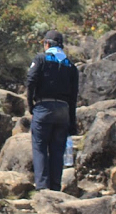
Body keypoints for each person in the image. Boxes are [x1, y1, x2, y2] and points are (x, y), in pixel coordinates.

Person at [26, 29, 79, 192]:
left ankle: (42, 188)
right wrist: (72, 120)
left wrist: (30, 104)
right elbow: (74, 96)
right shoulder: (71, 65)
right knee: (58, 149)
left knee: (40, 147)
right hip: (63, 110)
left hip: (44, 107)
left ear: (47, 44)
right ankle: (55, 187)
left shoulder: (40, 59)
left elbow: (31, 81)